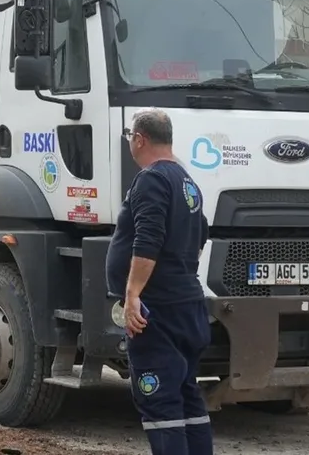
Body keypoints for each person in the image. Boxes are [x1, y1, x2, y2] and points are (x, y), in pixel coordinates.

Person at [105, 108, 213, 455]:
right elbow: (201, 234)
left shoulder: (151, 179)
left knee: (160, 401)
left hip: (159, 311)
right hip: (188, 305)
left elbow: (147, 239)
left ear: (139, 139)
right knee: (186, 395)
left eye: (130, 139)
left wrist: (133, 293)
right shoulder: (188, 182)